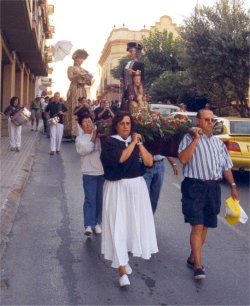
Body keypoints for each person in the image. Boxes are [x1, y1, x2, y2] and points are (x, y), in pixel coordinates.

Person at [178, 109, 239, 280]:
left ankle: (193, 256)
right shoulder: (189, 139)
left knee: (205, 225)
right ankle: (198, 265)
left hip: (213, 188)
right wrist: (196, 139)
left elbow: (226, 166)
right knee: (197, 225)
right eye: (206, 120)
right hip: (194, 187)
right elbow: (183, 159)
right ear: (198, 121)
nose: (210, 123)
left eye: (212, 120)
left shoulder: (218, 144)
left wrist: (233, 186)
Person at [100, 111, 158, 287]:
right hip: (117, 188)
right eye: (123, 123)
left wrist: (139, 145)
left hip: (136, 188)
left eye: (128, 123)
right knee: (118, 226)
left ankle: (124, 259)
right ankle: (122, 270)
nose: (126, 126)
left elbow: (149, 162)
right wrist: (133, 143)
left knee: (131, 227)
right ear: (116, 125)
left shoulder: (135, 143)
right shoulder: (110, 142)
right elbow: (120, 159)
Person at [75, 113, 104, 236]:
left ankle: (97, 223)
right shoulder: (79, 139)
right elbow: (86, 149)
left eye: (90, 121)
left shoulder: (100, 136)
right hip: (88, 173)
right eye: (85, 122)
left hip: (101, 172)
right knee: (90, 199)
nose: (88, 123)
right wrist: (95, 135)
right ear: (81, 126)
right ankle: (88, 224)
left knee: (99, 200)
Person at [64, 48, 93, 138]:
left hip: (82, 89)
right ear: (75, 58)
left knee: (83, 107)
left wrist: (89, 78)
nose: (81, 60)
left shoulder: (84, 70)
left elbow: (89, 82)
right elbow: (70, 77)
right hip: (75, 89)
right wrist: (78, 75)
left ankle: (83, 128)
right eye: (79, 58)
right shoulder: (71, 68)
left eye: (82, 59)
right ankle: (73, 131)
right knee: (74, 107)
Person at [120, 42, 144, 111]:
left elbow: (142, 78)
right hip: (125, 90)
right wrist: (122, 82)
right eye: (128, 52)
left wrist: (133, 73)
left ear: (136, 52)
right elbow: (122, 75)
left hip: (135, 90)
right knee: (124, 107)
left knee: (134, 108)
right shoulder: (125, 64)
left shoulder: (140, 64)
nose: (129, 53)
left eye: (131, 51)